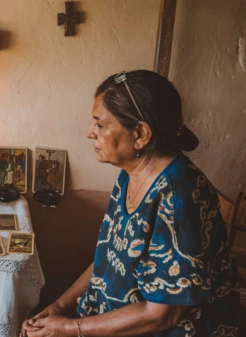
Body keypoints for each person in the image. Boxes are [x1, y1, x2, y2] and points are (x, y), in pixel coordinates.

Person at [21, 70, 240, 337]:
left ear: (140, 134)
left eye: (100, 125)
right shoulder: (130, 173)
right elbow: (109, 257)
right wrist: (60, 305)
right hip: (115, 317)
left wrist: (70, 328)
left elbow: (162, 314)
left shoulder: (180, 196)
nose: (90, 133)